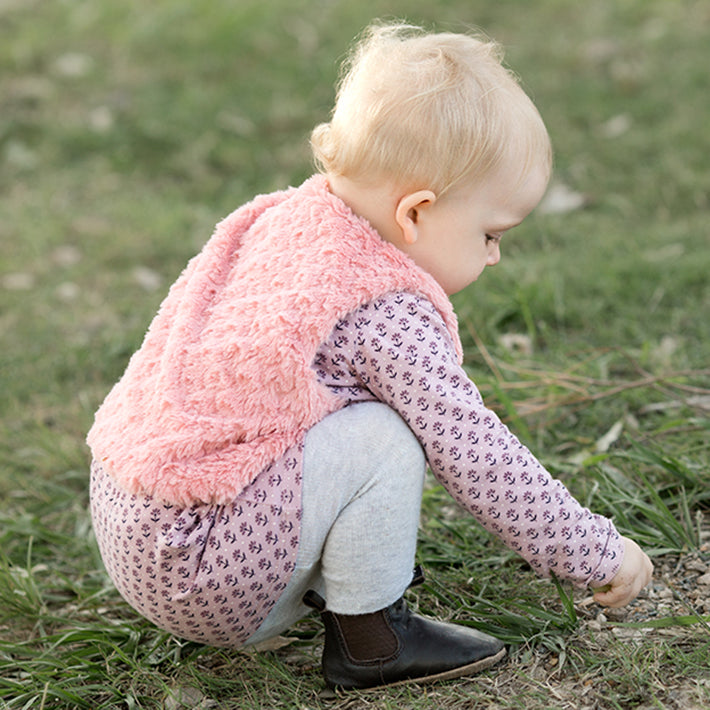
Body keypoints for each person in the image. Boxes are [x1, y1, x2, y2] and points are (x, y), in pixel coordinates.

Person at [87, 21, 653, 690]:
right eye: (491, 233)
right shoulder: (378, 304)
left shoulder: (285, 224)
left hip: (138, 527)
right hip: (207, 572)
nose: (496, 254)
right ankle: (373, 641)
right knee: (387, 437)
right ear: (415, 212)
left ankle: (329, 577)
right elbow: (477, 453)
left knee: (329, 425)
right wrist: (595, 552)